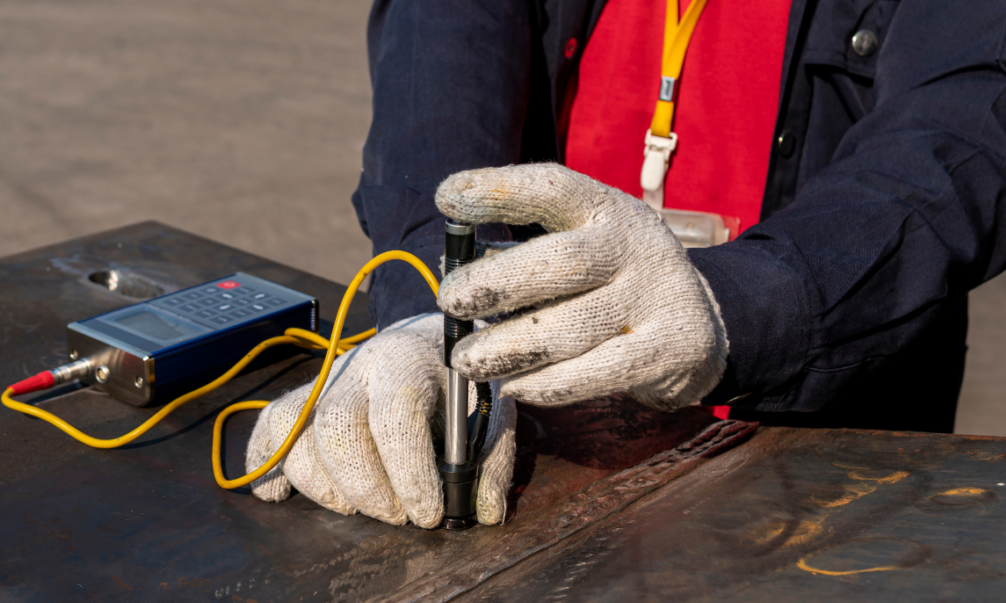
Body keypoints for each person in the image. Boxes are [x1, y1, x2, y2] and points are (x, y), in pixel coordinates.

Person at [244, 0, 1006, 528]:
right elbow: (440, 51)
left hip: (820, 459)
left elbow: (962, 125)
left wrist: (733, 309)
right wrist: (439, 303)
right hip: (538, 447)